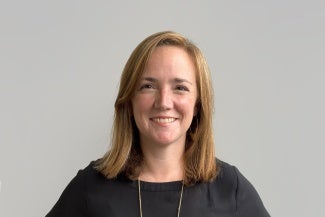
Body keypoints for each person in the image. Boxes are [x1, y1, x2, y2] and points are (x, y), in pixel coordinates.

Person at [46, 31, 270, 217]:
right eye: (148, 86)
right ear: (129, 101)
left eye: (180, 87)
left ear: (198, 105)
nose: (163, 102)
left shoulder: (230, 189)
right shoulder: (91, 187)